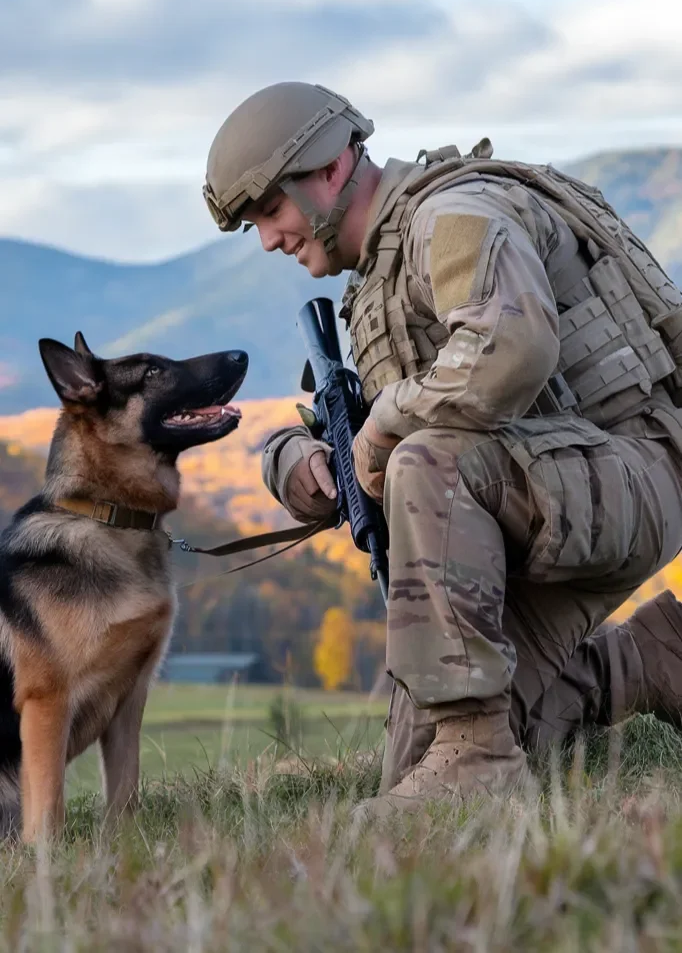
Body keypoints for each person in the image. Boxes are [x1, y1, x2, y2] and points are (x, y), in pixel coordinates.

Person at [202, 81, 682, 815]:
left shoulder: (451, 216)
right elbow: (374, 409)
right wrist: (296, 460)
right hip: (548, 494)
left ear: (331, 170)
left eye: (272, 210)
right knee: (416, 760)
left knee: (428, 459)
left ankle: (480, 760)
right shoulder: (381, 277)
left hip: (635, 466)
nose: (269, 238)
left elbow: (513, 347)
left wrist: (386, 427)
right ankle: (648, 663)